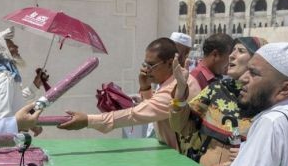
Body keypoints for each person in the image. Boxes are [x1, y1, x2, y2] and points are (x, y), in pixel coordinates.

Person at [58, 38, 201, 150]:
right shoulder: (172, 81)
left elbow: (136, 114)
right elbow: (153, 110)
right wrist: (145, 88)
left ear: (170, 63)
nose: (147, 70)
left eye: (152, 65)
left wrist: (87, 120)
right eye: (145, 65)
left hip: (184, 158)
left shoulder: (177, 86)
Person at [170, 37, 266, 166]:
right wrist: (180, 92)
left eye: (241, 51)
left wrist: (250, 154)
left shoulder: (267, 103)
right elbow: (181, 126)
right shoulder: (216, 90)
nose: (232, 56)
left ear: (257, 60)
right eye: (232, 50)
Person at [0, 27, 48, 122]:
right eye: (11, 45)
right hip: (7, 135)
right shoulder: (5, 78)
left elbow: (14, 100)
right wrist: (26, 124)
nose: (17, 47)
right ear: (2, 52)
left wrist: (35, 85)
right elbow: (3, 118)